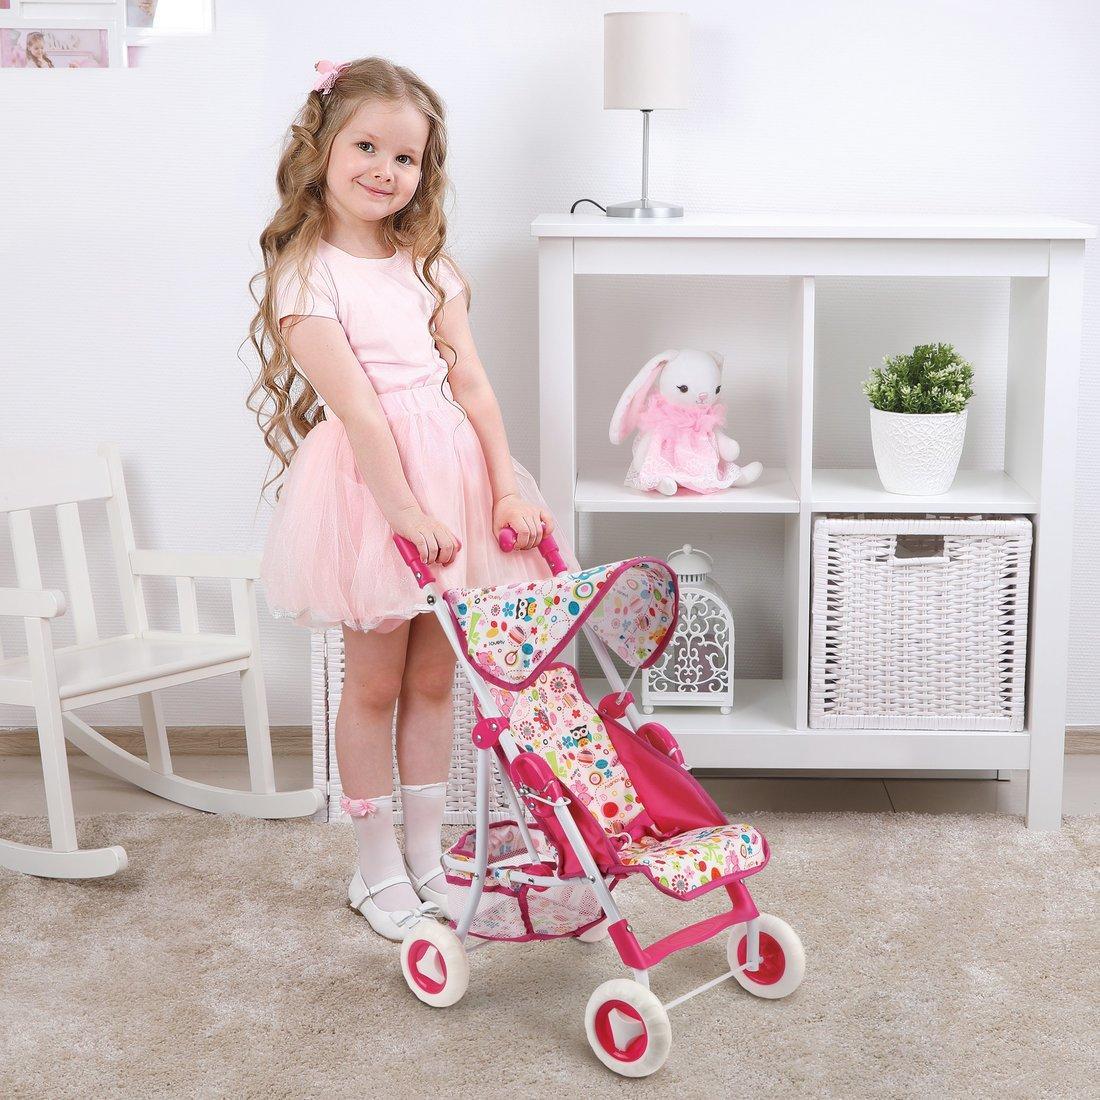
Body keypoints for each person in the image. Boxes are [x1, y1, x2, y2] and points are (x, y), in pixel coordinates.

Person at [247, 57, 578, 942]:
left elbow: (472, 385)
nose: (385, 170)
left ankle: (427, 856)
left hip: (455, 479)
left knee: (437, 679)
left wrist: (503, 488)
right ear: (321, 147)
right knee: (375, 683)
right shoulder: (307, 275)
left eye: (405, 158)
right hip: (375, 490)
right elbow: (357, 408)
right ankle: (375, 866)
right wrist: (402, 514)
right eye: (366, 146)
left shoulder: (426, 263)